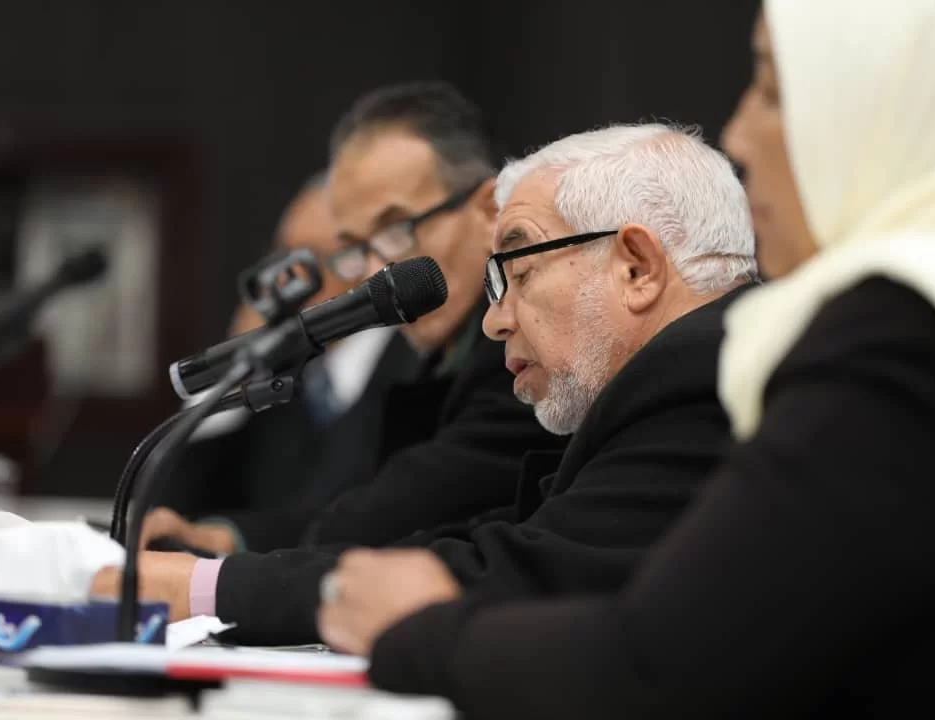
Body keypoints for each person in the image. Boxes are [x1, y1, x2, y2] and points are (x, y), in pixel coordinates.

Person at [319, 2, 935, 717]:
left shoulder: (891, 330)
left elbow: (657, 664)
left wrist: (419, 628)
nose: (738, 134)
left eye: (772, 90)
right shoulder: (920, 312)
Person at [94, 121, 757, 648]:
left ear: (637, 268)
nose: (496, 320)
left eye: (520, 273)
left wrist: (207, 588)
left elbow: (518, 575)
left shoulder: (707, 377)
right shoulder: (679, 378)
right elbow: (491, 541)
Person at [91, 82, 567, 624]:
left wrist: (211, 579)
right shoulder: (423, 349)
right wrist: (224, 537)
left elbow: (392, 518)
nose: (375, 272)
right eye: (357, 249)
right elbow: (353, 500)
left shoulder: (527, 348)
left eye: (395, 231)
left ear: (488, 211)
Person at [142, 171, 419, 554]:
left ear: (373, 261)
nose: (289, 279)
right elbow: (172, 508)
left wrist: (227, 536)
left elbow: (348, 516)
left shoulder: (416, 367)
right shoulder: (285, 372)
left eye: (315, 257)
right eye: (283, 254)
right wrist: (237, 364)